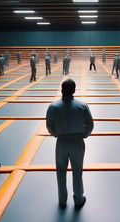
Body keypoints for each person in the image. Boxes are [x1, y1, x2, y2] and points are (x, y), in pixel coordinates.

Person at [46, 79, 94, 209]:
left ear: (62, 89)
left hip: (61, 142)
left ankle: (62, 199)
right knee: (77, 171)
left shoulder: (53, 106)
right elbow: (90, 124)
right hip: (77, 141)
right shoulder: (82, 106)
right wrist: (84, 134)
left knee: (61, 171)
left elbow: (49, 126)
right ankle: (78, 198)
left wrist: (56, 134)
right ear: (74, 90)